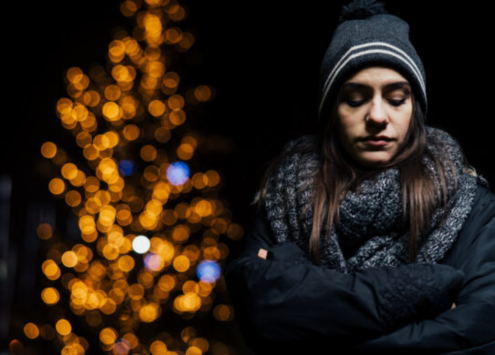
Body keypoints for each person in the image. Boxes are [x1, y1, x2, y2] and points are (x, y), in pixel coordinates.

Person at [224, 0, 495, 354]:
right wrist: (426, 289)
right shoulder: (283, 196)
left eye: (396, 99)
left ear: (415, 110)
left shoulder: (471, 203)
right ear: (332, 111)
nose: (377, 115)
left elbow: (478, 334)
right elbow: (261, 314)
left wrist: (312, 313)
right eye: (355, 99)